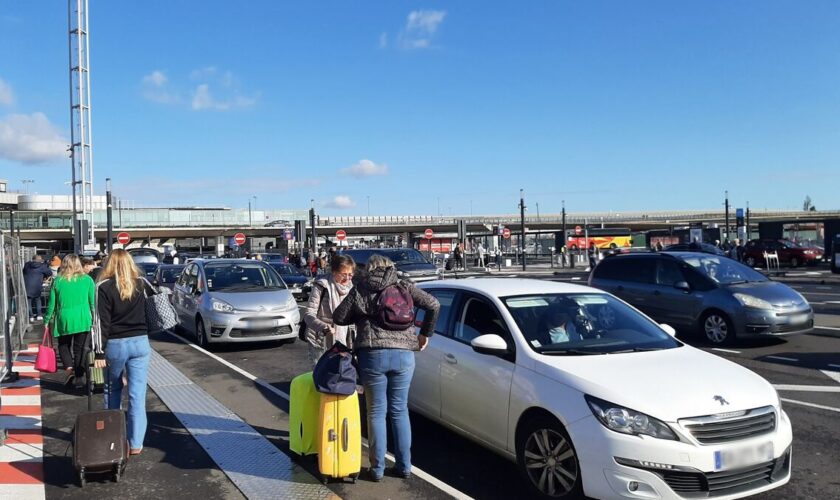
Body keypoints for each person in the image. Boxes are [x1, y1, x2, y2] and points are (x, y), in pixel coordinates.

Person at [333, 255, 440, 482]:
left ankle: (377, 468)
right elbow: (434, 304)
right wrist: (424, 335)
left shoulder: (361, 288)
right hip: (404, 355)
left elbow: (339, 317)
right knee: (400, 410)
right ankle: (404, 466)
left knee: (376, 412)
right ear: (391, 268)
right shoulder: (404, 286)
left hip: (372, 355)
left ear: (369, 269)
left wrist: (360, 316)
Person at [92, 249, 150, 456]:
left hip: (115, 344)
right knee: (137, 394)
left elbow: (100, 323)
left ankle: (113, 438)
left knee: (112, 389)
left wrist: (98, 352)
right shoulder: (141, 283)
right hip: (141, 342)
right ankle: (135, 443)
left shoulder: (103, 287)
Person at [43, 254, 96, 388]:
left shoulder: (58, 281)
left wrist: (46, 320)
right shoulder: (87, 280)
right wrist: (95, 318)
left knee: (64, 345)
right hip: (83, 318)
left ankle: (69, 369)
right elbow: (93, 302)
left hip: (64, 318)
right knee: (80, 349)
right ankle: (79, 376)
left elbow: (51, 304)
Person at [303, 254, 356, 367]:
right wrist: (323, 327)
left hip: (343, 340)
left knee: (341, 375)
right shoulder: (322, 285)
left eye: (350, 274)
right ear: (334, 272)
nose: (347, 278)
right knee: (321, 375)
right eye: (344, 274)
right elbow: (308, 314)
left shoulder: (352, 288)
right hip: (321, 340)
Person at [23, 255, 52, 321]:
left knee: (28, 301)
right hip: (37, 286)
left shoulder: (27, 265)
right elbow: (49, 273)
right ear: (40, 260)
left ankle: (31, 316)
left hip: (27, 285)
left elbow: (24, 271)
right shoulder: (42, 266)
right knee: (38, 299)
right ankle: (39, 314)